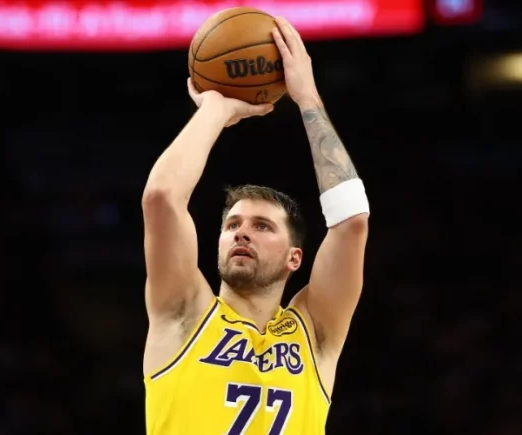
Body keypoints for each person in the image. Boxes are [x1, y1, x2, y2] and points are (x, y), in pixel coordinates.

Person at [142, 17, 369, 434]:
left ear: (295, 258)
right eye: (232, 225)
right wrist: (216, 109)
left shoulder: (314, 332)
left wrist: (307, 98)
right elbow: (161, 198)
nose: (241, 232)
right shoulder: (184, 313)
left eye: (263, 226)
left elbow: (351, 222)